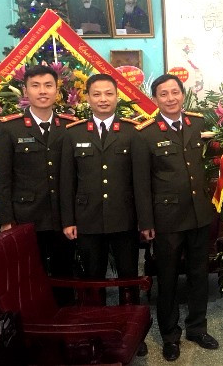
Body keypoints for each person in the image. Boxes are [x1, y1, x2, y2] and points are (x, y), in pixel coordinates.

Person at [136, 74, 218, 362]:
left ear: (183, 95)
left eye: (175, 92)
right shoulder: (145, 133)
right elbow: (141, 183)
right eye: (163, 94)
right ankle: (170, 336)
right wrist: (146, 222)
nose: (170, 98)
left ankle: (197, 328)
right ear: (155, 99)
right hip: (167, 218)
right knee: (168, 280)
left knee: (199, 275)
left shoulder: (198, 123)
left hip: (199, 214)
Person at [0, 65, 77, 304]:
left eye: (48, 85)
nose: (42, 91)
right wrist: (6, 219)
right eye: (36, 86)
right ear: (25, 91)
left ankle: (65, 318)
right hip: (26, 216)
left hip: (63, 217)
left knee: (65, 274)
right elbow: (2, 177)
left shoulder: (69, 126)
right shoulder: (9, 128)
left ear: (57, 90)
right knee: (28, 277)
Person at [60, 74, 149, 288]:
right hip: (87, 219)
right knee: (92, 278)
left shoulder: (132, 132)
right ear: (87, 98)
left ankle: (130, 310)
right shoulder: (74, 133)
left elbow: (141, 181)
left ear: (117, 96)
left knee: (128, 276)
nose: (103, 99)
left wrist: (145, 221)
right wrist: (68, 220)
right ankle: (95, 311)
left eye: (109, 94)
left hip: (124, 217)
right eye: (97, 94)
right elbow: (67, 181)